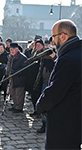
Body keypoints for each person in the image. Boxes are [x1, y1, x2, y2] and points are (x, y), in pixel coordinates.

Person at [36, 19, 81, 149]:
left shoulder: (67, 59)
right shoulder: (77, 53)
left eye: (53, 37)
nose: (53, 41)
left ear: (63, 36)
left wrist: (40, 106)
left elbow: (55, 91)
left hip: (64, 123)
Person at [7, 43, 27, 113]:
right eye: (10, 49)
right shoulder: (11, 57)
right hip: (12, 78)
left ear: (17, 49)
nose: (11, 51)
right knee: (13, 92)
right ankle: (15, 105)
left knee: (19, 94)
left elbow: (24, 69)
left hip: (20, 79)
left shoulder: (22, 58)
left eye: (13, 49)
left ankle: (19, 107)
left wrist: (15, 71)